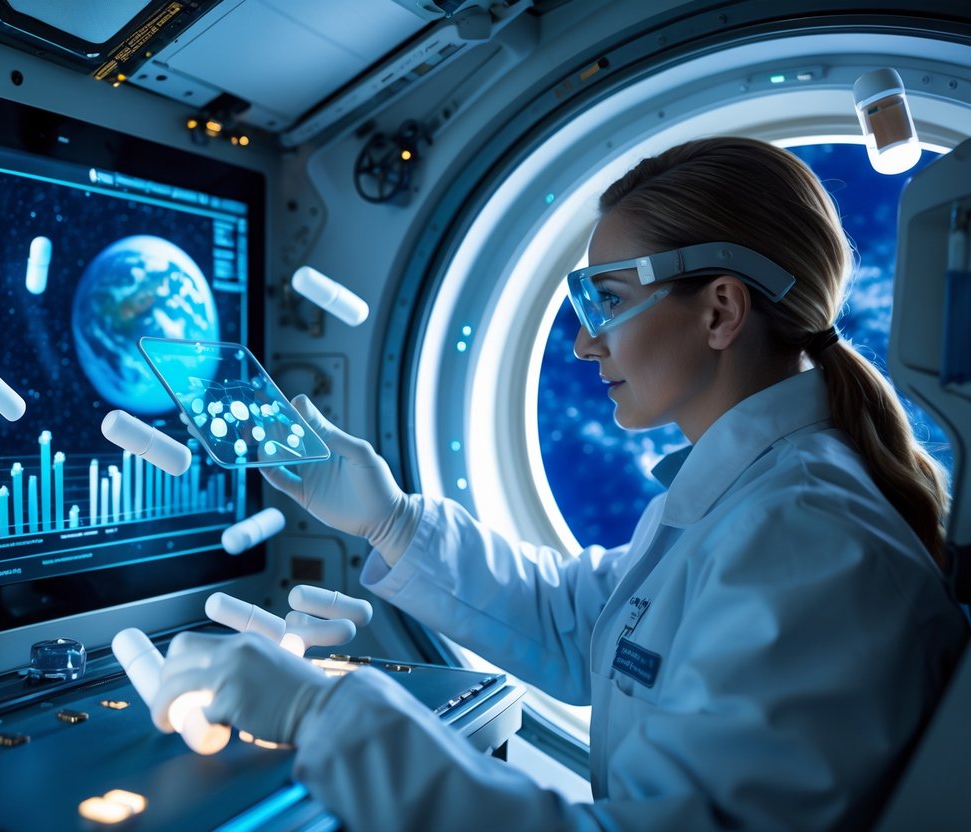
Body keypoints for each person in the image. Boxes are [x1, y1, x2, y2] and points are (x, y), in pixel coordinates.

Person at [153, 137, 969, 830]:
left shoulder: (803, 536)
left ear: (720, 312)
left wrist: (321, 715)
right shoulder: (744, 499)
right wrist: (390, 519)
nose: (584, 345)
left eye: (605, 300)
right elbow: (590, 628)